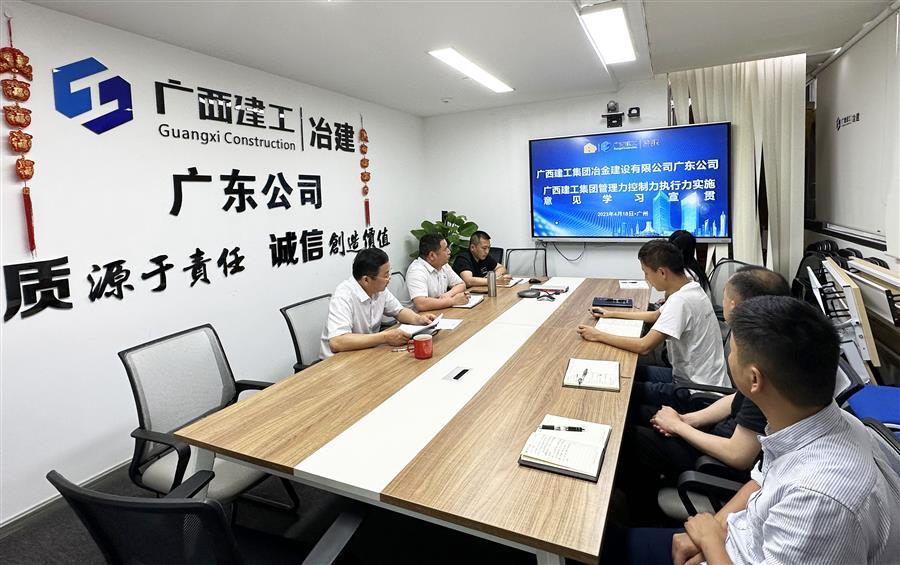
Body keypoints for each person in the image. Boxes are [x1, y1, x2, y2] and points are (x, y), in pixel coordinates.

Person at [603, 296, 900, 565]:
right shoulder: (814, 421)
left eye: (732, 351)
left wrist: (710, 541)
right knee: (610, 542)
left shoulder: (821, 500)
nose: (728, 357)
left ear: (754, 379)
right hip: (733, 536)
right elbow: (761, 479)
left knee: (601, 551)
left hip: (727, 550)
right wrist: (715, 529)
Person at [618, 267, 790, 517]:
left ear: (733, 304)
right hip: (713, 436)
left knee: (627, 437)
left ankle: (631, 515)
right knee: (640, 415)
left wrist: (679, 427)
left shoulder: (764, 371)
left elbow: (738, 455)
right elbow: (735, 400)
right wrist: (687, 419)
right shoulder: (773, 345)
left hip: (713, 461)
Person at [578, 240, 729, 413]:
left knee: (623, 389)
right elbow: (655, 315)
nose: (646, 279)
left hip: (696, 393)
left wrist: (597, 335)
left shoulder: (681, 301)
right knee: (625, 373)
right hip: (696, 380)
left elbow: (644, 346)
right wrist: (611, 313)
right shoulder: (690, 288)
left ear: (662, 272)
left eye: (647, 273)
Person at [320, 248, 435, 359]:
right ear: (366, 280)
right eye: (385, 275)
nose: (389, 278)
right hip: (336, 361)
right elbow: (337, 342)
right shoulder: (344, 296)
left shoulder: (379, 289)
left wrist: (418, 319)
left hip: (365, 353)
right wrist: (385, 337)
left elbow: (399, 311)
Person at [406, 233, 469, 311]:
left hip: (439, 311)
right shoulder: (416, 271)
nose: (449, 251)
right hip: (418, 316)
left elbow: (461, 284)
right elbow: (421, 304)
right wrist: (453, 301)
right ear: (432, 255)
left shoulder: (443, 265)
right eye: (445, 249)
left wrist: (448, 295)